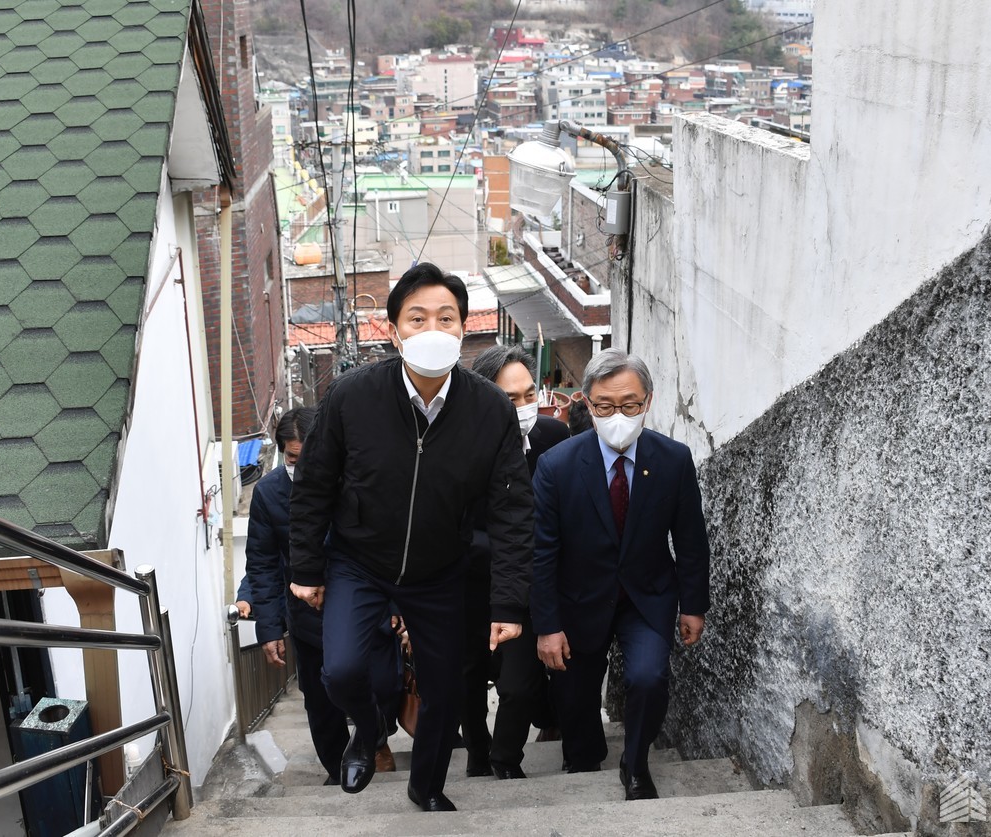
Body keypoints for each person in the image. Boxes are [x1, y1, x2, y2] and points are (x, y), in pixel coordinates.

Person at [288, 262, 534, 812]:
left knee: (446, 690)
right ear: (395, 330)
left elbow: (513, 510)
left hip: (440, 569)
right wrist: (305, 567)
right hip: (359, 559)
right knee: (341, 670)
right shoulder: (352, 396)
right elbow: (314, 484)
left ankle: (427, 785)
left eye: (446, 318)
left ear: (463, 328)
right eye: (417, 318)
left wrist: (508, 602)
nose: (432, 329)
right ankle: (368, 727)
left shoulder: (489, 409)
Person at [531, 349, 711, 801]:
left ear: (648, 401)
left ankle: (635, 762)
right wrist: (548, 626)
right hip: (578, 600)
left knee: (649, 678)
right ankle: (583, 756)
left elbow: (690, 539)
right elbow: (542, 553)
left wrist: (694, 605)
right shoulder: (557, 466)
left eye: (629, 405)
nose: (618, 416)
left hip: (646, 597)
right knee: (574, 693)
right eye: (605, 405)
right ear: (586, 403)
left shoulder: (673, 459)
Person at [243, 408, 400, 783]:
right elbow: (262, 564)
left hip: (366, 605)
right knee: (320, 700)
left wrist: (396, 603)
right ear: (283, 453)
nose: (302, 467)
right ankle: (337, 767)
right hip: (307, 614)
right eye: (293, 458)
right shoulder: (268, 494)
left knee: (382, 684)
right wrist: (269, 629)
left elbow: (389, 544)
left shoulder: (356, 480)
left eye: (309, 457)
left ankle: (373, 738)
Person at [461, 345, 569, 780]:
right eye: (510, 398)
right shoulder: (459, 448)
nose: (524, 407)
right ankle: (477, 753)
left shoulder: (553, 438)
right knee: (468, 676)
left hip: (531, 584)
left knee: (519, 682)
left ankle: (506, 761)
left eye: (529, 395)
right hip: (470, 586)